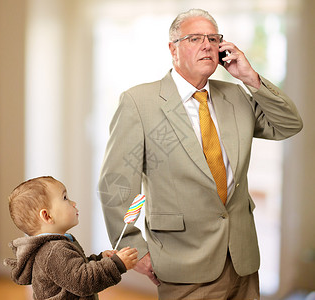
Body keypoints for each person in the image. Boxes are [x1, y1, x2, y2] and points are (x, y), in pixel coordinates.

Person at [98, 8, 303, 300]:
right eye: (195, 38)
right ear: (173, 49)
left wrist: (250, 77)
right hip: (183, 264)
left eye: (213, 38)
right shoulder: (138, 102)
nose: (207, 45)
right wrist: (135, 249)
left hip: (242, 261)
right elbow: (116, 185)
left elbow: (288, 125)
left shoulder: (236, 96)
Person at [4, 176, 138, 300]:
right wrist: (117, 264)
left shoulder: (56, 246)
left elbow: (77, 268)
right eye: (65, 198)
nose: (73, 203)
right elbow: (83, 281)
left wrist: (100, 259)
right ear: (47, 216)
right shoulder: (54, 251)